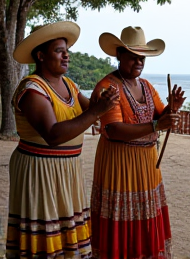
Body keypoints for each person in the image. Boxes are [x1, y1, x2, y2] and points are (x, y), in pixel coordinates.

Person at [6, 21, 119, 259]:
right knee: (44, 231)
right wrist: (96, 112)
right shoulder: (32, 89)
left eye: (67, 51)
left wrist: (107, 100)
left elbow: (94, 110)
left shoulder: (69, 85)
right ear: (41, 56)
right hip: (40, 169)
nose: (66, 55)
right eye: (59, 51)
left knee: (65, 230)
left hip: (67, 168)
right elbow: (53, 134)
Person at [90, 26, 186, 259]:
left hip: (146, 162)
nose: (139, 61)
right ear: (119, 55)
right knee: (122, 216)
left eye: (142, 57)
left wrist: (172, 108)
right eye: (133, 56)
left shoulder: (145, 86)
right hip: (119, 163)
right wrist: (155, 126)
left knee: (144, 213)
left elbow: (160, 115)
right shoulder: (108, 87)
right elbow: (114, 130)